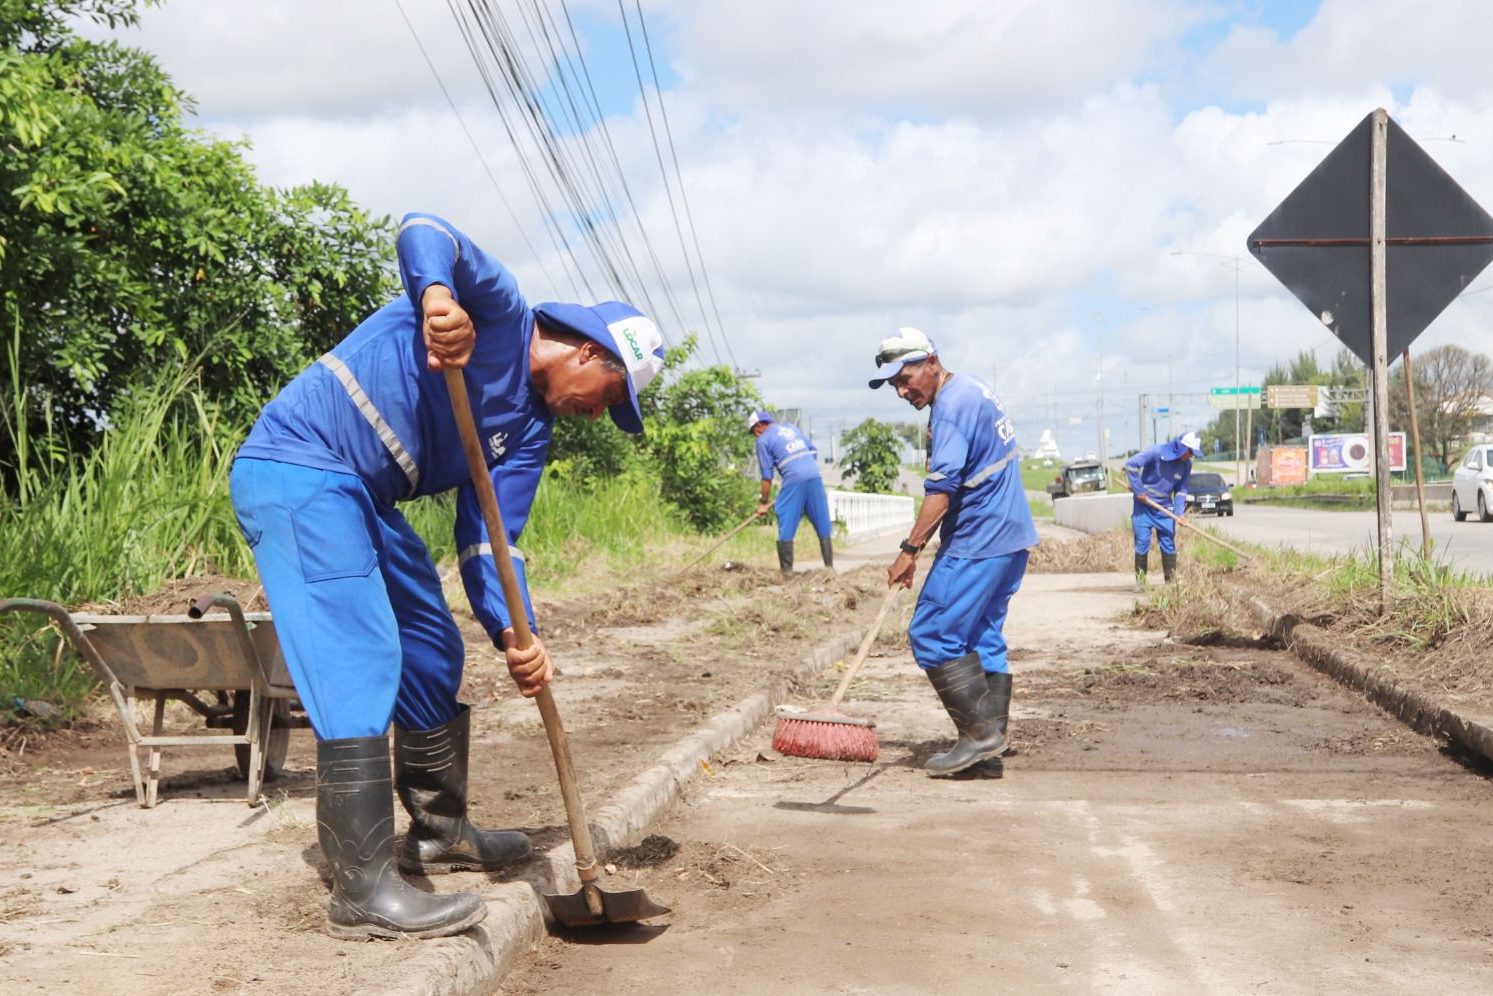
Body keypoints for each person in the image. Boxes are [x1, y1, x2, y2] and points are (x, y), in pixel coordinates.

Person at [229, 212, 665, 940]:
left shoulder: (528, 434)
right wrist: (436, 297)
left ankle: (440, 829)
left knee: (432, 644)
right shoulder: (496, 308)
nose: (599, 415)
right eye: (611, 396)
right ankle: (361, 886)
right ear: (589, 353)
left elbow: (492, 543)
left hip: (364, 495)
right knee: (359, 654)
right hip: (300, 469)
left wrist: (514, 631)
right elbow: (426, 227)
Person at [869, 328, 1039, 779]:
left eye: (906, 379)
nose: (903, 392)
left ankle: (980, 736)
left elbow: (941, 489)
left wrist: (909, 551)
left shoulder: (952, 406)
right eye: (895, 387)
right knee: (981, 638)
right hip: (1010, 537)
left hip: (978, 541)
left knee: (931, 631)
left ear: (931, 361)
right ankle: (989, 750)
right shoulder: (973, 388)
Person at [749, 410, 833, 573]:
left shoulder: (763, 441)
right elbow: (812, 450)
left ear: (758, 427)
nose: (755, 436)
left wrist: (763, 503)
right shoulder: (790, 427)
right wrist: (804, 467)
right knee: (822, 521)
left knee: (785, 519)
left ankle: (787, 573)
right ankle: (830, 569)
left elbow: (767, 477)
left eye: (753, 432)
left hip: (793, 479)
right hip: (814, 475)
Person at [1124, 430, 1204, 585]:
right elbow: (1131, 465)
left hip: (1165, 509)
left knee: (1168, 542)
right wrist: (1139, 490)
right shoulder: (1156, 452)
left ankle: (1170, 584)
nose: (1191, 456)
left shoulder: (1186, 465)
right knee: (1142, 542)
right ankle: (1141, 584)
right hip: (1144, 506)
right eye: (1190, 452)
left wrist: (1180, 513)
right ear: (1182, 449)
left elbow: (1181, 491)